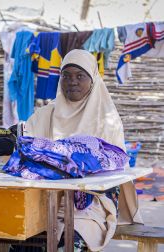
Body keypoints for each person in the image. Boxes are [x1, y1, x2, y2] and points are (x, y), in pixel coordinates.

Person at [22, 49, 143, 251]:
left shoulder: (107, 119)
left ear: (93, 80)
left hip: (92, 201)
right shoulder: (45, 115)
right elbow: (24, 145)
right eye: (66, 76)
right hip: (48, 198)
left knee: (72, 236)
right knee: (22, 232)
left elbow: (114, 169)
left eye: (80, 76)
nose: (72, 81)